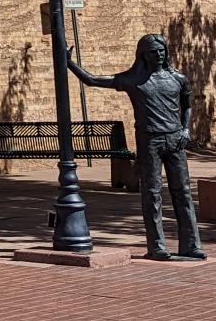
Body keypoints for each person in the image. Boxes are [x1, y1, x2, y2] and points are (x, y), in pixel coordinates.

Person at [72, 33, 206, 261]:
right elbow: (93, 80)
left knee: (183, 193)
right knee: (152, 194)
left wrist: (185, 130)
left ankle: (191, 245)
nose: (159, 54)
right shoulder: (134, 80)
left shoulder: (178, 78)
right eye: (154, 51)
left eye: (162, 50)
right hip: (150, 141)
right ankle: (157, 246)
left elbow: (187, 106)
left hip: (175, 140)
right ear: (143, 55)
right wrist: (69, 64)